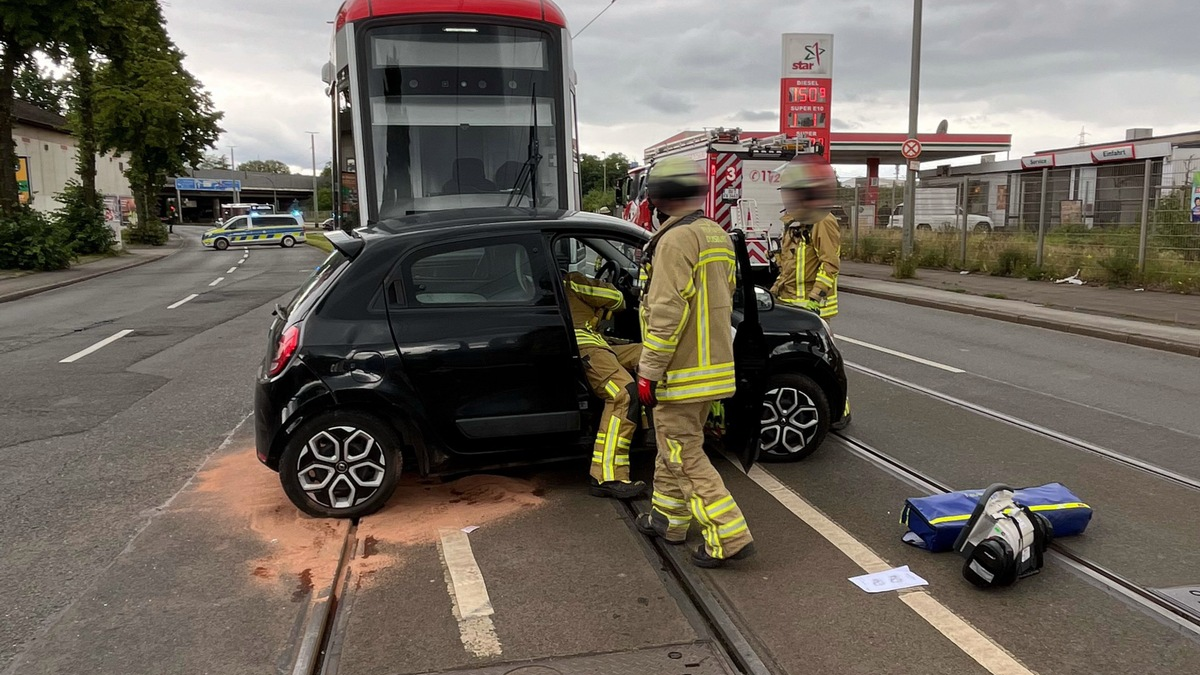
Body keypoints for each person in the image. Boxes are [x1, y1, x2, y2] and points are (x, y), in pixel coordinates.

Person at [634, 156, 755, 569]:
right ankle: (668, 519)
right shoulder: (715, 233)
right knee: (674, 447)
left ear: (657, 198)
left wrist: (648, 370)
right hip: (712, 368)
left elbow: (666, 312)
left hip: (681, 371)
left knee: (682, 453)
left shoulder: (674, 240)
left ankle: (729, 534)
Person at [559, 243, 648, 500]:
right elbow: (617, 300)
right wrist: (611, 287)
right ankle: (608, 475)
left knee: (652, 354)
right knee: (623, 393)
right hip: (587, 347)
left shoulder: (561, 284)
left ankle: (650, 427)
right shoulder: (573, 281)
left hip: (600, 344)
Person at [770, 155, 851, 429]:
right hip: (790, 299)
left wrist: (815, 298)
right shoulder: (793, 222)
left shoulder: (822, 221)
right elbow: (789, 264)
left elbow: (830, 264)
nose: (785, 198)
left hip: (812, 304)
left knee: (824, 360)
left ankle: (840, 409)